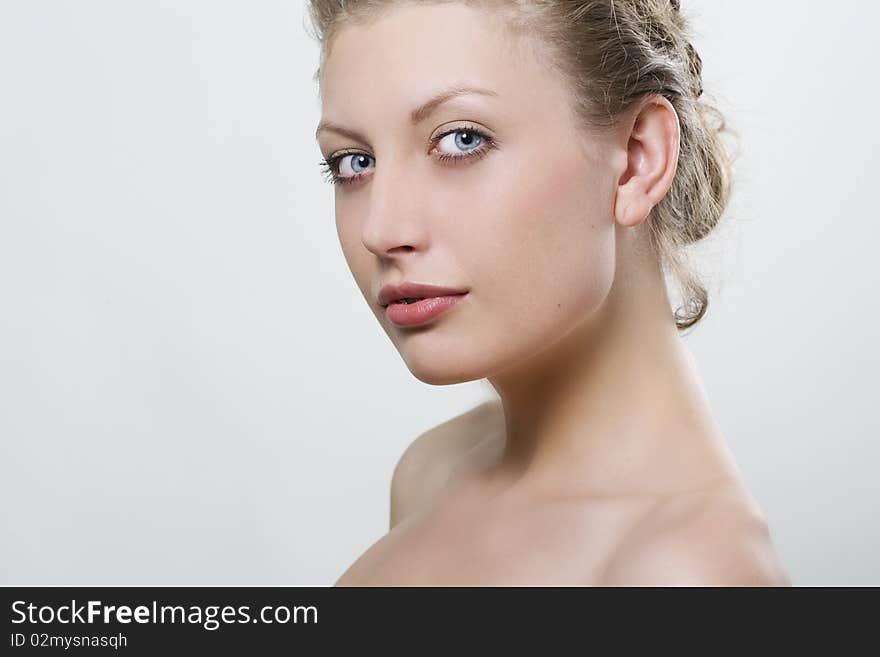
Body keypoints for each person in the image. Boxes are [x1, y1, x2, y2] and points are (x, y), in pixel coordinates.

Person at [310, 0, 791, 586]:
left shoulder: (684, 573)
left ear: (638, 161)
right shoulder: (430, 471)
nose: (381, 230)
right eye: (354, 163)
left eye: (461, 140)